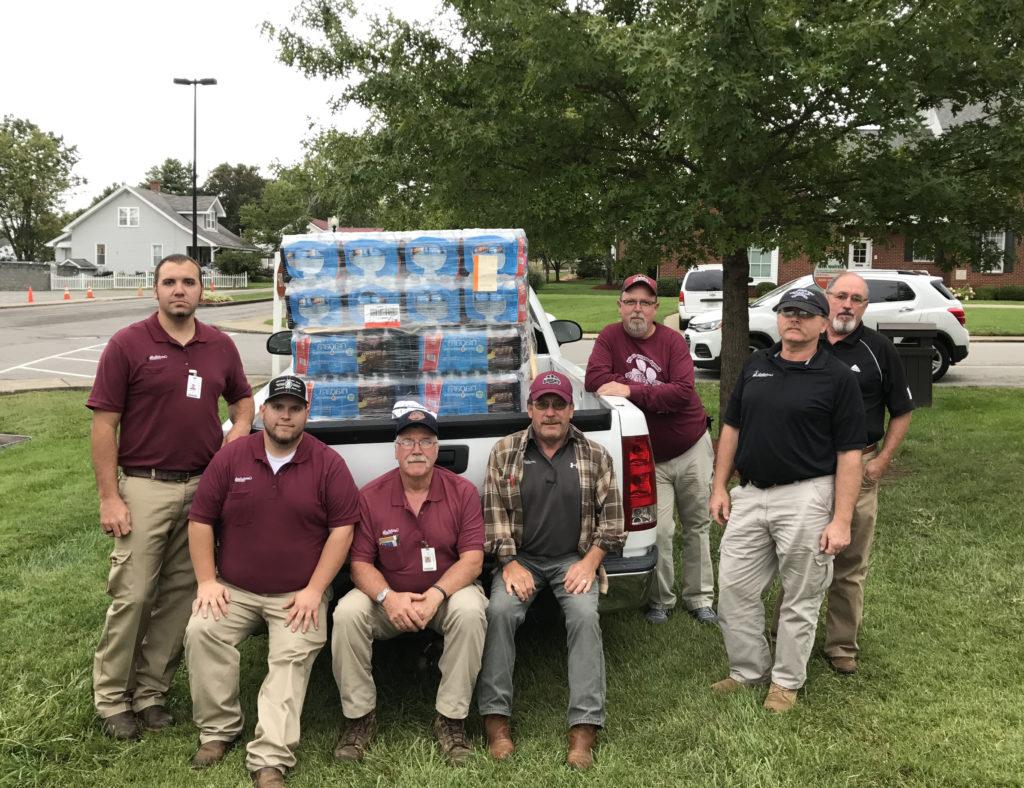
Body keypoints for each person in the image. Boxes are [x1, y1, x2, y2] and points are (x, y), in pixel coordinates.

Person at [86, 254, 254, 740]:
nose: (179, 290)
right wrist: (108, 497)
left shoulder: (219, 345)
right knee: (134, 594)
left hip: (202, 487)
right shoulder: (128, 344)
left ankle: (151, 692)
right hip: (143, 485)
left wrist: (241, 427)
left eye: (188, 282)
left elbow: (243, 398)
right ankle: (112, 697)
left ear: (204, 289)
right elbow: (103, 425)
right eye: (169, 282)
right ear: (154, 290)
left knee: (183, 597)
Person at [183, 375, 359, 788]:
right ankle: (218, 731)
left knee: (289, 660)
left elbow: (343, 530)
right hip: (236, 589)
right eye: (277, 407)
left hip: (298, 594)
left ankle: (269, 760)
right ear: (263, 412)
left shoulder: (327, 462)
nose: (285, 415)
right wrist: (207, 581)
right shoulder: (231, 458)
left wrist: (315, 590)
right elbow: (201, 520)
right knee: (201, 630)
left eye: (294, 408)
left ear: (305, 414)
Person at [709, 287, 866, 713]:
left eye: (804, 313)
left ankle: (785, 682)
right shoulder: (756, 366)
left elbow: (850, 454)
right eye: (786, 312)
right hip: (751, 492)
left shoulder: (838, 378)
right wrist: (720, 486)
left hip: (807, 496)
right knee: (733, 588)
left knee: (801, 595)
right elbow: (732, 428)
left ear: (822, 323)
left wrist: (842, 519)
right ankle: (748, 670)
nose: (793, 319)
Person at [477, 371, 625, 770]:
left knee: (583, 615)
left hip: (572, 560)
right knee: (499, 613)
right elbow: (494, 520)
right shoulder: (504, 451)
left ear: (571, 410)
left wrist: (590, 563)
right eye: (542, 404)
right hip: (521, 559)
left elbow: (612, 524)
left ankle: (584, 726)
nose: (550, 412)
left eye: (559, 404)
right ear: (530, 409)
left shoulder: (595, 454)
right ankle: (496, 718)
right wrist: (508, 564)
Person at [331, 402, 487, 767]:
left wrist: (437, 594)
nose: (416, 449)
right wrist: (388, 599)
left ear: (436, 448)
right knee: (347, 613)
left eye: (425, 441)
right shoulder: (371, 495)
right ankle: (358, 718)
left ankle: (451, 719)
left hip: (445, 594)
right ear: (395, 449)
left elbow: (473, 560)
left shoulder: (462, 492)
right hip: (390, 597)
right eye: (407, 441)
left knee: (471, 610)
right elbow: (359, 564)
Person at [585, 273, 717, 625]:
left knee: (697, 525)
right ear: (620, 306)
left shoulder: (673, 342)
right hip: (649, 460)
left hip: (691, 447)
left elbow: (682, 393)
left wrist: (629, 391)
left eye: (645, 302)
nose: (637, 309)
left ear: (656, 308)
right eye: (630, 302)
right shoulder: (609, 338)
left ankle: (700, 598)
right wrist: (648, 394)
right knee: (658, 530)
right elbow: (595, 380)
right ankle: (662, 599)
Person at [819, 272, 913, 673]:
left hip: (858, 468)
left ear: (865, 307)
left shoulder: (878, 350)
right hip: (807, 471)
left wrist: (881, 461)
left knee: (850, 563)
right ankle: (786, 634)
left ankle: (841, 646)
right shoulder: (804, 340)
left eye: (857, 299)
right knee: (797, 559)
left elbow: (903, 411)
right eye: (841, 295)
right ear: (827, 298)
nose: (847, 305)